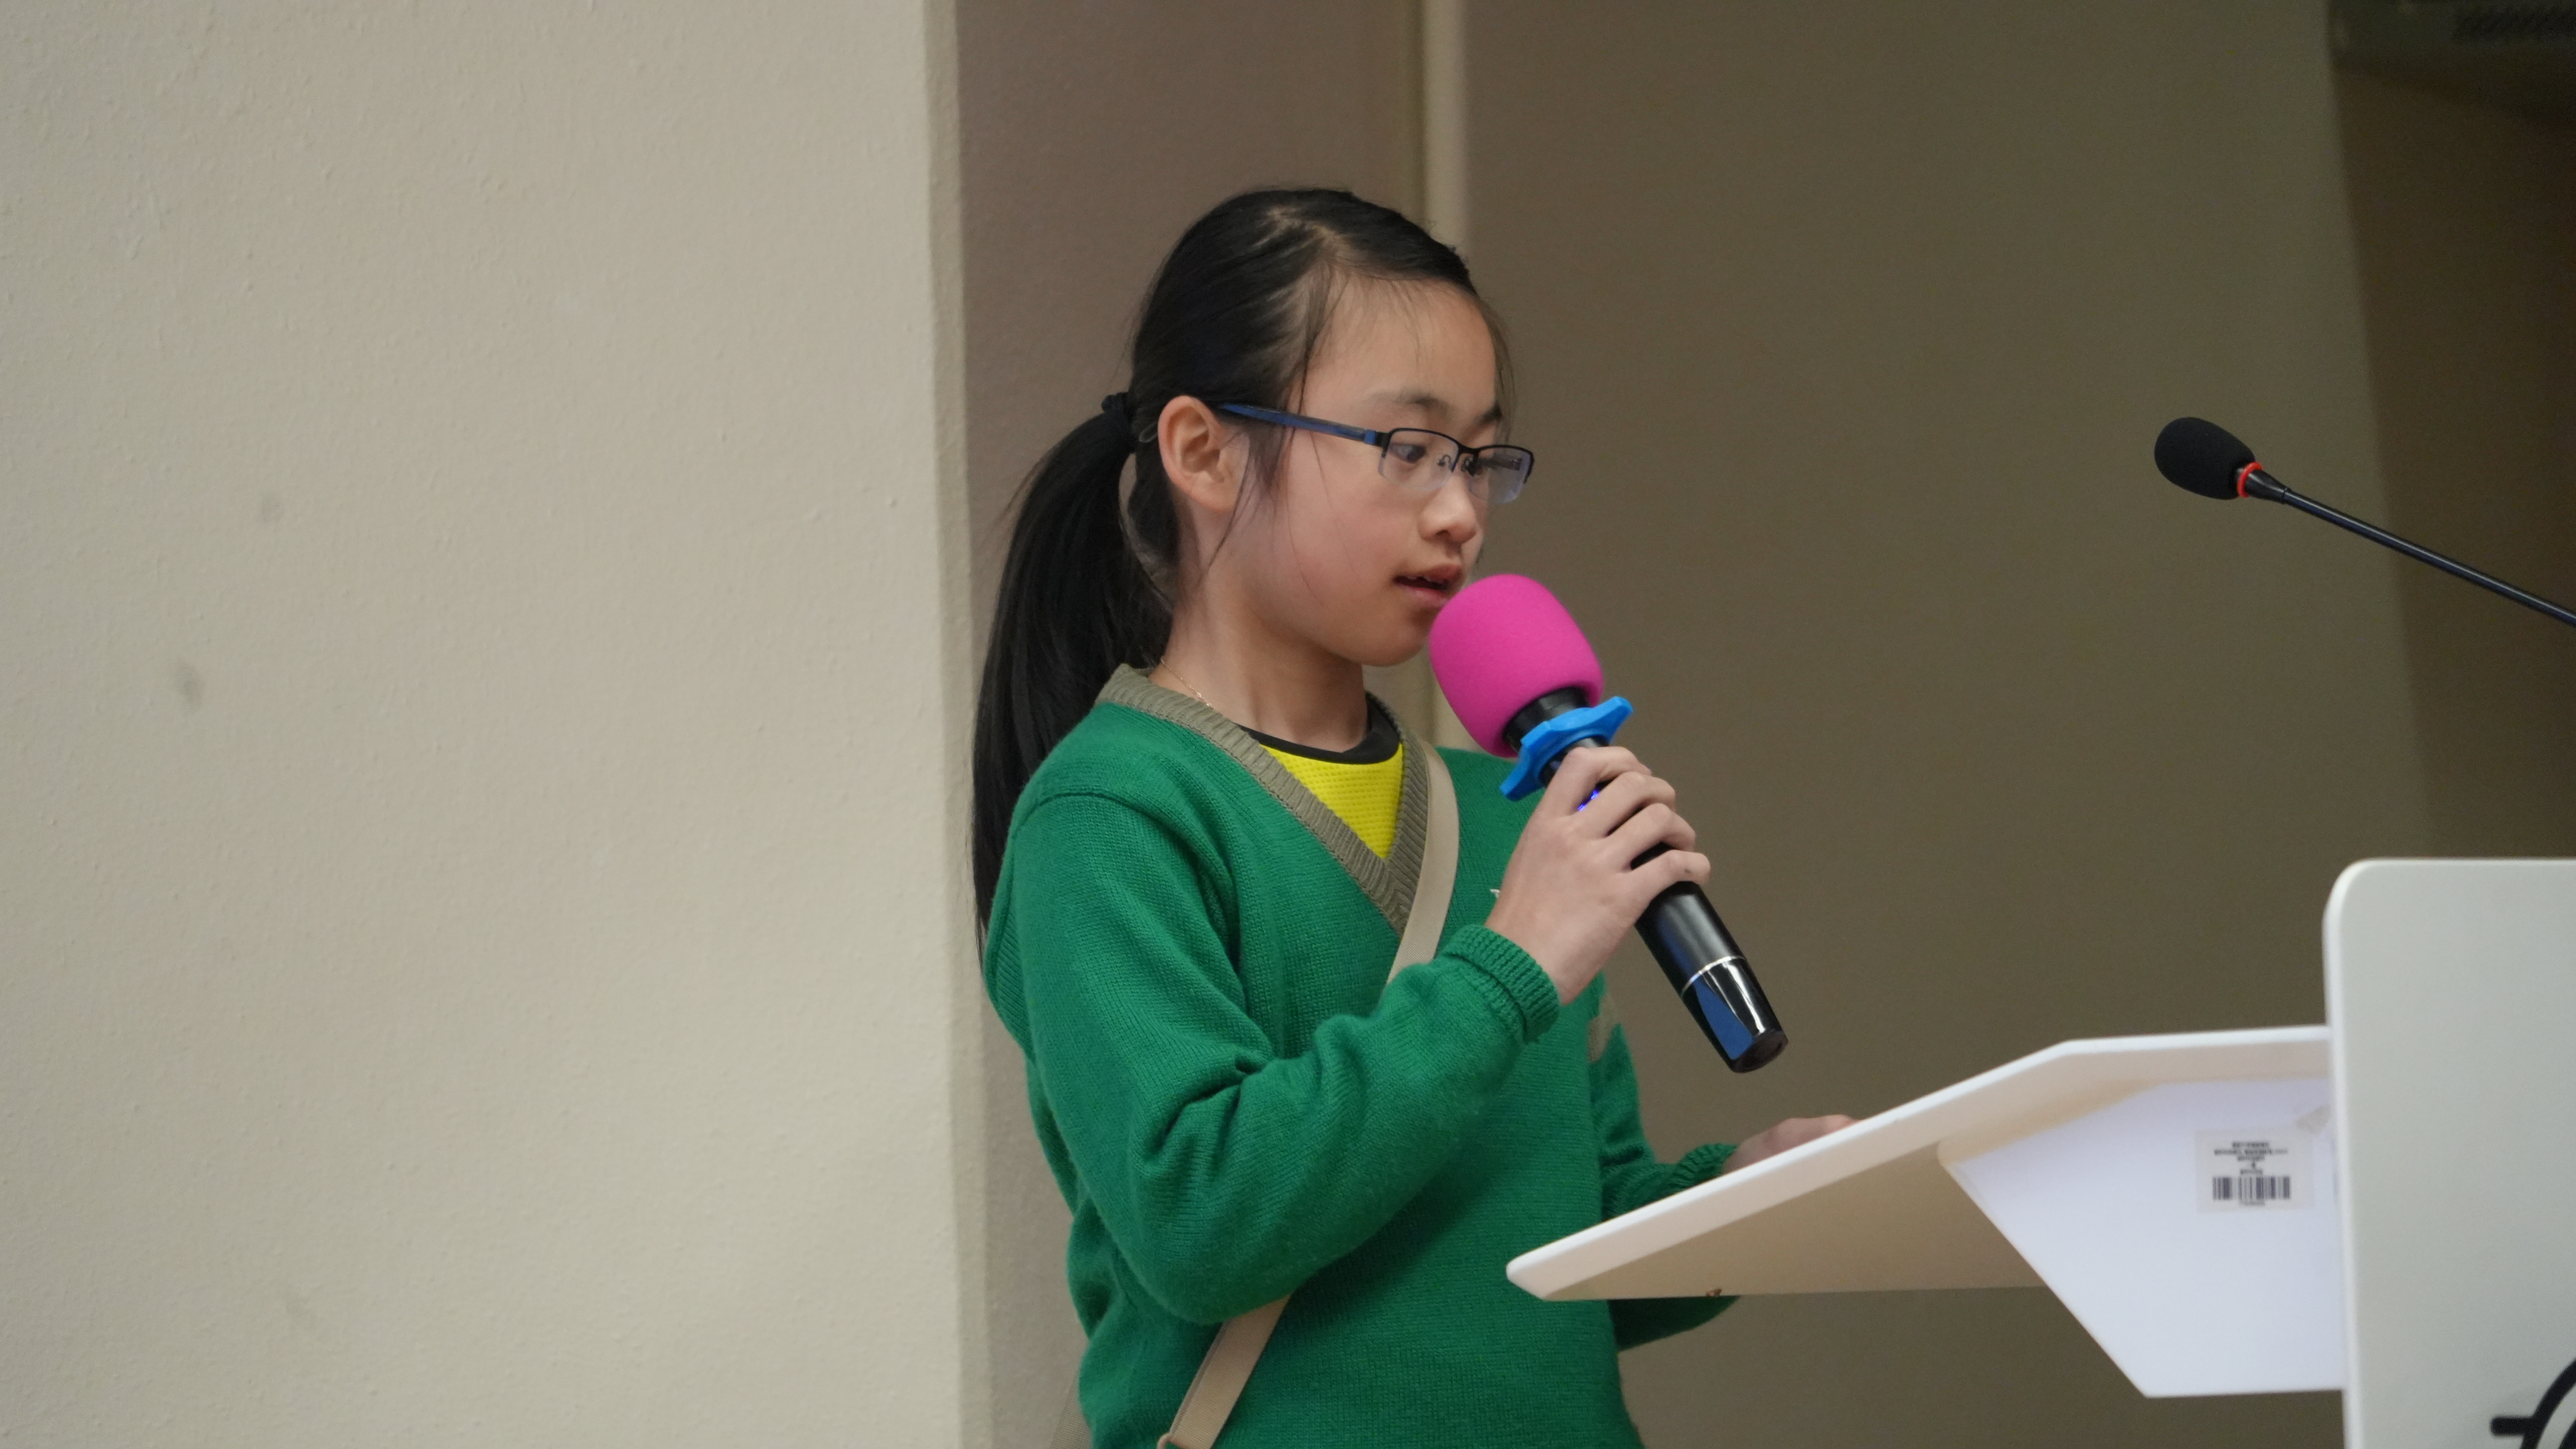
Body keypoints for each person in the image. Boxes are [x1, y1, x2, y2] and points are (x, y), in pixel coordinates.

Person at [974, 188, 1850, 1449]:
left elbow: (1549, 1240)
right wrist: (1510, 966)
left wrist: (1744, 1200)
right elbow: (1200, 1220)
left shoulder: (1505, 819)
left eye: (1480, 458)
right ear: (1203, 452)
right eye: (1407, 448)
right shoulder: (1110, 814)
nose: (1460, 513)